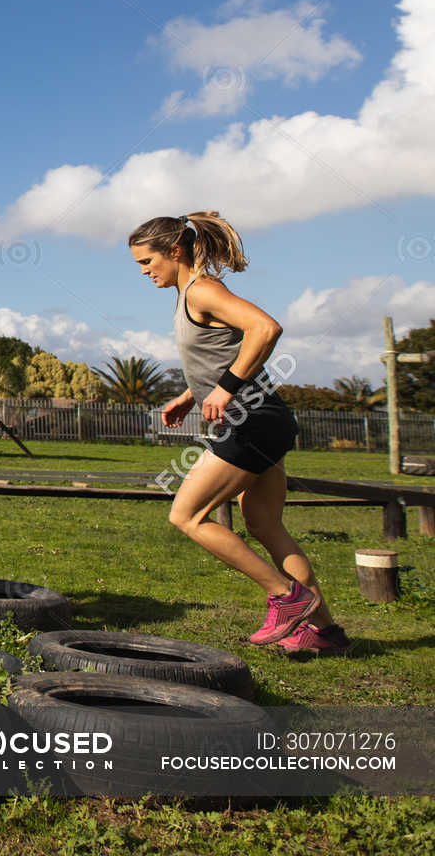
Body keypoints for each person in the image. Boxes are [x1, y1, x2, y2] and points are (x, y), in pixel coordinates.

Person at [133, 211, 349, 656]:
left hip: (251, 421)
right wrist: (191, 396)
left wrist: (225, 389)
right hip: (264, 418)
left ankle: (286, 598)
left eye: (147, 261)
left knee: (186, 516)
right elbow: (223, 352)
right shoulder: (189, 294)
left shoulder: (203, 290)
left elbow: (266, 328)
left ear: (174, 252)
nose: (143, 271)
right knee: (264, 524)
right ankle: (326, 632)